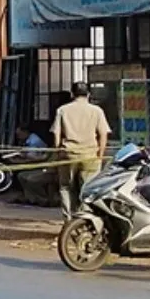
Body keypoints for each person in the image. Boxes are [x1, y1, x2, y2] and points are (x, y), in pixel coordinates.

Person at [51, 81, 111, 218]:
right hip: (90, 155)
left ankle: (68, 219)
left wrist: (58, 151)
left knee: (66, 187)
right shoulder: (97, 111)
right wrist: (100, 155)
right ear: (88, 94)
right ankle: (85, 218)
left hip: (68, 154)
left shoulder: (62, 110)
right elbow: (103, 134)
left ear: (72, 94)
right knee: (88, 189)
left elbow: (56, 134)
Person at [14, 126, 56, 206]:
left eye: (19, 134)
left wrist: (22, 158)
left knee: (31, 179)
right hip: (43, 166)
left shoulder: (34, 141)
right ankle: (31, 198)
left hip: (49, 170)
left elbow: (40, 158)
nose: (18, 137)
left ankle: (43, 200)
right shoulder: (27, 141)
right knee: (21, 175)